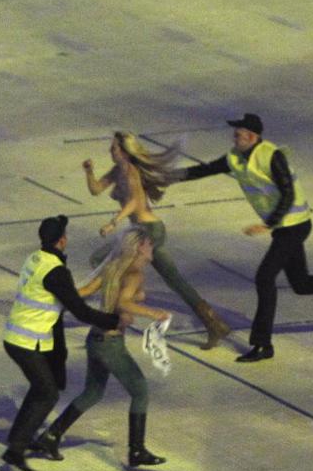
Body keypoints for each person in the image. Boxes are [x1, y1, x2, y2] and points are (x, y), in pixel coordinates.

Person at [175, 113, 313, 362]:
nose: (234, 137)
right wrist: (165, 176)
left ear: (252, 137)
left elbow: (288, 193)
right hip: (283, 228)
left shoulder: (272, 156)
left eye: (238, 134)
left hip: (295, 224)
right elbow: (203, 170)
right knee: (301, 284)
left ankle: (263, 345)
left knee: (264, 278)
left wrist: (267, 224)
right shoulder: (235, 158)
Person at [31, 226, 169, 469]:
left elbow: (82, 292)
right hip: (111, 343)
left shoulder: (112, 267)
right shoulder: (134, 273)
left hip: (95, 339)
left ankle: (50, 436)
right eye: (148, 244)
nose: (152, 248)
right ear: (139, 247)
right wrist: (153, 313)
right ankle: (136, 450)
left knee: (93, 392)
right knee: (140, 391)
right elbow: (124, 301)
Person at [1, 215, 128, 471]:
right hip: (27, 340)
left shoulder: (36, 258)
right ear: (62, 240)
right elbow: (79, 311)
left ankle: (18, 439)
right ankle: (15, 451)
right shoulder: (55, 271)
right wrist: (113, 320)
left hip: (21, 335)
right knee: (47, 393)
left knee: (42, 388)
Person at [83, 132, 230, 350]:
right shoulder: (118, 170)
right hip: (142, 230)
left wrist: (114, 222)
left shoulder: (130, 171)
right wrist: (89, 171)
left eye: (113, 148)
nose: (110, 151)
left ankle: (123, 306)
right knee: (174, 280)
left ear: (123, 151)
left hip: (149, 231)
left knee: (102, 259)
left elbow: (135, 201)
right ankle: (214, 323)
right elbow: (96, 189)